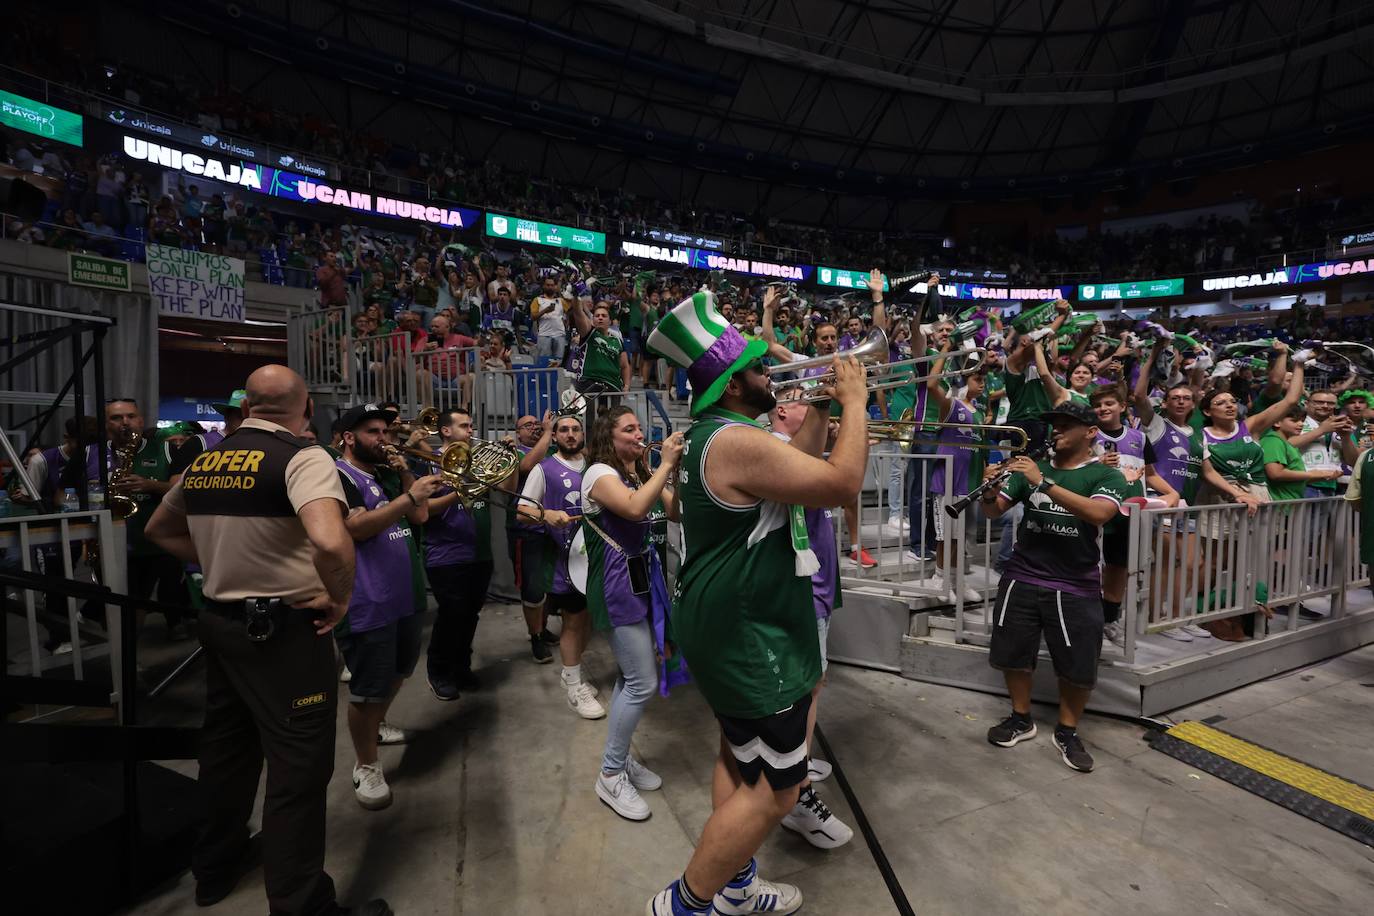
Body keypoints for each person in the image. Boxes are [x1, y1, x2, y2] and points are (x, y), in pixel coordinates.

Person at [646, 291, 870, 916]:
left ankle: (736, 886)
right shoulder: (736, 442)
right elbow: (839, 484)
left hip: (728, 622)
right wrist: (855, 403)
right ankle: (686, 905)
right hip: (749, 633)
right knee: (777, 788)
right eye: (755, 367)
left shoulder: (718, 435)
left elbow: (796, 472)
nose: (768, 372)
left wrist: (823, 410)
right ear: (732, 385)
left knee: (741, 761)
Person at [144, 365, 391, 916]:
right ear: (304, 408)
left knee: (227, 754)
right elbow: (331, 541)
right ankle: (302, 905)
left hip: (220, 623)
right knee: (298, 770)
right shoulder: (303, 458)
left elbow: (157, 530)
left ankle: (215, 868)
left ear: (250, 405)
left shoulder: (207, 461)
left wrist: (216, 561)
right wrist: (340, 596)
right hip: (281, 634)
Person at [978, 401, 1128, 774]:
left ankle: (1067, 729)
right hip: (1024, 573)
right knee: (1013, 652)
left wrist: (1042, 483)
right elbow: (994, 510)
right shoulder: (1035, 467)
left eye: (1066, 424)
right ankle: (1021, 716)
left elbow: (1098, 514)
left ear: (1091, 432)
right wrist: (985, 491)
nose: (1056, 430)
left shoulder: (1106, 476)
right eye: (1055, 425)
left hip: (1075, 581)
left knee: (1078, 664)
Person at [334, 404, 441, 809]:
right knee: (367, 688)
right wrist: (408, 496)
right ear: (349, 438)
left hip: (405, 594)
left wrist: (405, 473)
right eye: (374, 432)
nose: (384, 438)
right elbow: (355, 528)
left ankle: (375, 726)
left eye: (385, 431)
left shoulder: (382, 473)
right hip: (368, 600)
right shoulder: (339, 476)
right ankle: (365, 765)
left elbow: (421, 515)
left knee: (400, 670)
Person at [581, 408, 682, 820]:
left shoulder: (638, 472)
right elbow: (636, 509)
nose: (639, 433)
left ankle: (619, 759)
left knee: (629, 677)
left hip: (642, 580)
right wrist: (664, 464)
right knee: (642, 681)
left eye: (640, 427)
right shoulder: (597, 474)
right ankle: (609, 775)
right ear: (609, 436)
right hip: (615, 586)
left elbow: (673, 512)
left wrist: (670, 473)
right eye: (629, 429)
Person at [766, 396, 854, 850]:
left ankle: (798, 760)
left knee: (813, 684)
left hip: (815, 582)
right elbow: (843, 485)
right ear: (782, 410)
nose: (818, 409)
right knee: (803, 688)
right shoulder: (777, 451)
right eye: (806, 403)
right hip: (801, 590)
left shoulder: (799, 452)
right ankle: (795, 789)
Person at [517, 415, 605, 718]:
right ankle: (574, 686)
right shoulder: (544, 469)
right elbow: (522, 511)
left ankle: (571, 675)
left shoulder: (595, 467)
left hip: (594, 557)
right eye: (564, 430)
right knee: (573, 621)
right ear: (553, 436)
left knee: (588, 619)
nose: (570, 434)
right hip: (564, 560)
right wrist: (546, 515)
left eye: (576, 429)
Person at [423, 409, 498, 699]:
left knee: (470, 616)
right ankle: (438, 671)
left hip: (478, 552)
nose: (470, 430)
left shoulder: (476, 461)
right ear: (445, 431)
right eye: (464, 426)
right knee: (451, 615)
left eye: (470, 426)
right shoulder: (427, 462)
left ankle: (461, 667)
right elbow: (422, 510)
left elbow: (505, 488)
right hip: (445, 554)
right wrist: (458, 491)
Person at [508, 412, 562, 662]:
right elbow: (527, 467)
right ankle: (536, 638)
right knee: (533, 588)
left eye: (535, 424)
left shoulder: (550, 452)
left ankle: (542, 627)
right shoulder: (514, 452)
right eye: (526, 425)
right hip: (527, 531)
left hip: (552, 529)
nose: (533, 428)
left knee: (549, 585)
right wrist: (549, 432)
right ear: (518, 433)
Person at [531, 275, 572, 366]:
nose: (550, 287)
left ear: (555, 286)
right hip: (544, 335)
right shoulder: (537, 300)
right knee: (544, 361)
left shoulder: (561, 300)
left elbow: (571, 310)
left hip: (559, 334)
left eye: (552, 285)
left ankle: (557, 380)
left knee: (558, 362)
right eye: (548, 285)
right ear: (544, 286)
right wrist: (545, 310)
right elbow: (533, 317)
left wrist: (566, 323)